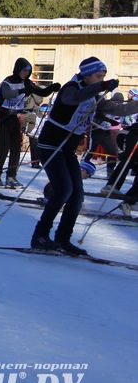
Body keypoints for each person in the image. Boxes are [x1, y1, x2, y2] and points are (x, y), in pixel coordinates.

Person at [31, 57, 138, 253]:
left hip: (67, 148)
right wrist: (101, 86)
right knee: (63, 190)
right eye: (98, 76)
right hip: (51, 145)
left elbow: (117, 109)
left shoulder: (94, 94)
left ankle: (63, 238)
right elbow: (73, 99)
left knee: (77, 195)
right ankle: (40, 235)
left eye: (103, 77)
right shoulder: (70, 88)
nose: (101, 80)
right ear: (87, 75)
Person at [0, 58, 60, 188]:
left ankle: (11, 176)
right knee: (2, 149)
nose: (26, 73)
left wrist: (52, 87)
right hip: (3, 117)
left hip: (16, 118)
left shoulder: (27, 83)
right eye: (24, 70)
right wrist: (22, 90)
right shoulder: (8, 81)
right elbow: (7, 95)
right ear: (18, 69)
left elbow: (41, 92)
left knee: (16, 149)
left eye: (28, 71)